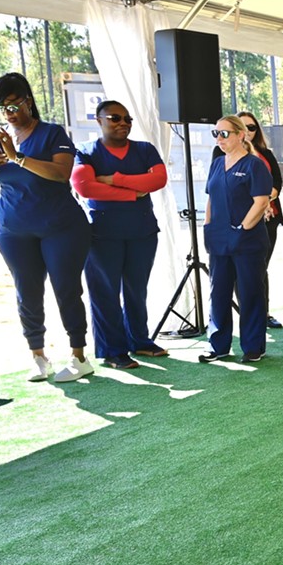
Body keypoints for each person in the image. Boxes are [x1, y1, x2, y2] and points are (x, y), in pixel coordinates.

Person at [0, 72, 93, 382]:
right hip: (15, 230)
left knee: (66, 290)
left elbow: (61, 173)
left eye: (14, 105)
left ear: (28, 102)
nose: (8, 113)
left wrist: (17, 158)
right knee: (26, 292)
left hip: (61, 227)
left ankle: (79, 356)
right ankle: (38, 356)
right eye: (2, 107)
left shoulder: (52, 133)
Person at [69, 100, 169, 369]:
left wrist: (113, 179)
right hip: (102, 234)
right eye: (114, 118)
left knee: (136, 289)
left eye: (127, 119)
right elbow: (84, 186)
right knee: (105, 293)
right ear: (99, 120)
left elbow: (158, 180)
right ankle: (113, 350)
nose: (122, 123)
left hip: (143, 231)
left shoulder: (145, 150)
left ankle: (139, 341)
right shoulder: (86, 151)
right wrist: (134, 192)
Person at [202, 115, 272, 364]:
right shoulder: (217, 163)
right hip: (219, 239)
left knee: (250, 292)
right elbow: (211, 198)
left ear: (241, 135)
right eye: (216, 133)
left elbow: (261, 201)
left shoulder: (255, 165)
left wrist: (241, 229)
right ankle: (218, 345)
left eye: (224, 133)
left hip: (247, 241)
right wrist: (208, 226)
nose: (219, 138)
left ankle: (254, 346)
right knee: (218, 292)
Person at [238, 112, 283, 329]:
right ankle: (247, 314)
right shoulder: (222, 154)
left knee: (261, 267)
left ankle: (263, 313)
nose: (248, 131)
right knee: (242, 268)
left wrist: (267, 200)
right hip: (242, 219)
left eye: (252, 127)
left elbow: (277, 180)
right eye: (243, 127)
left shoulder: (265, 153)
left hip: (269, 218)